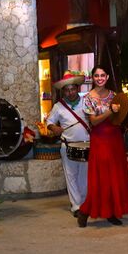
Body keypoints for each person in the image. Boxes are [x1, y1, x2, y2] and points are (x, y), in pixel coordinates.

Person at [77, 65, 128, 227]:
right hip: (100, 139)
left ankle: (112, 212)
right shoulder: (87, 98)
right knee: (100, 178)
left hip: (115, 139)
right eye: (96, 76)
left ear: (107, 77)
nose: (100, 78)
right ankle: (85, 211)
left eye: (102, 75)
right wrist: (109, 111)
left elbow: (120, 117)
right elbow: (93, 121)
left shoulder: (115, 96)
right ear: (93, 78)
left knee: (115, 176)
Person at [47, 71, 90, 217]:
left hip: (86, 145)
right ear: (63, 91)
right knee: (71, 176)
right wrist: (55, 128)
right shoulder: (58, 106)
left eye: (73, 88)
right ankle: (76, 206)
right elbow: (49, 122)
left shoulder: (86, 102)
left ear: (77, 88)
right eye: (67, 89)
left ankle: (84, 204)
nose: (70, 92)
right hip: (67, 145)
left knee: (84, 176)